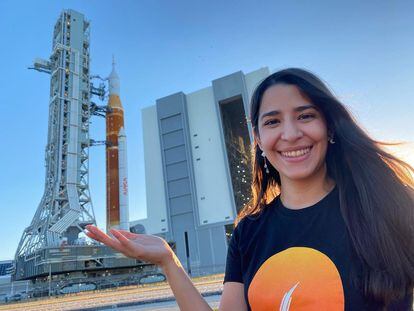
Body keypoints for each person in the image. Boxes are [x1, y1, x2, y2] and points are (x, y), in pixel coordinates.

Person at [85, 68, 414, 310]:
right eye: (272, 121)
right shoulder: (249, 232)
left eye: (305, 116)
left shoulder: (389, 208)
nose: (290, 133)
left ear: (328, 125)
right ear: (257, 137)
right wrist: (170, 263)